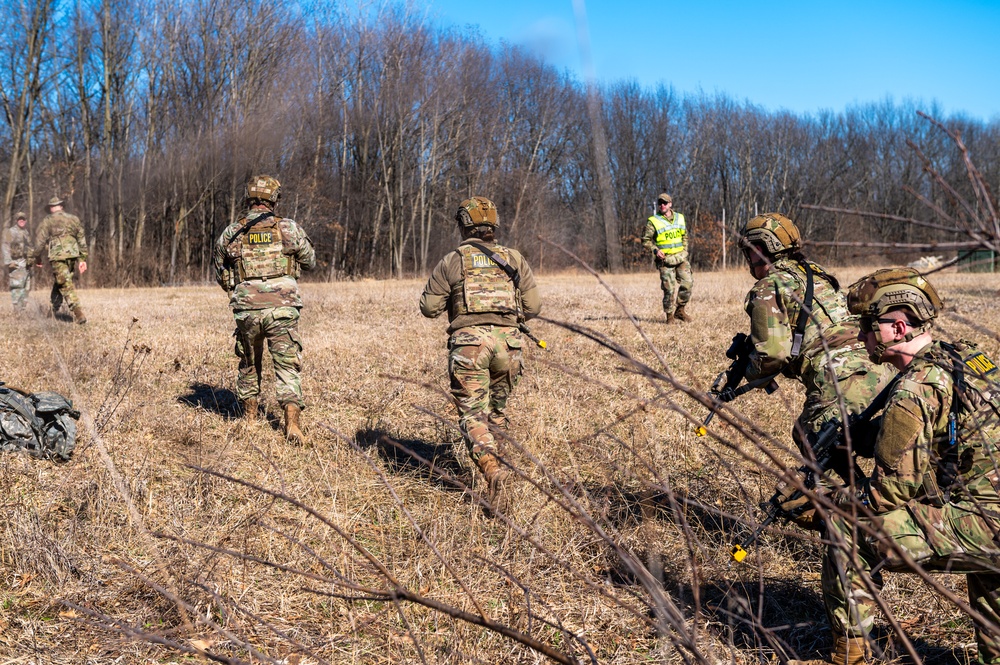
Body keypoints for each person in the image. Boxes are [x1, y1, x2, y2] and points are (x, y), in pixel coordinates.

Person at [790, 268, 1000, 665]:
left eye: (869, 326)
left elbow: (888, 493)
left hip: (986, 522)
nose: (861, 337)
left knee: (845, 527)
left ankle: (848, 654)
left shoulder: (915, 386)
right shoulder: (965, 358)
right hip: (989, 513)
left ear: (899, 327)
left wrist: (825, 501)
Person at [738, 213, 895, 454]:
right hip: (883, 372)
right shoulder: (816, 271)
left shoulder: (768, 287)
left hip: (841, 382)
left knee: (812, 443)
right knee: (871, 440)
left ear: (758, 249)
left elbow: (772, 355)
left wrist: (751, 372)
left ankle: (846, 491)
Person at [419, 196, 541, 506]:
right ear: (494, 225)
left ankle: (492, 471)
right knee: (496, 413)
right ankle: (501, 461)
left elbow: (429, 308)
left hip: (471, 345)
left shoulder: (453, 260)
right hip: (510, 346)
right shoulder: (514, 258)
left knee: (473, 415)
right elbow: (534, 307)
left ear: (463, 224)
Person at [213, 175, 316, 443]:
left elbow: (220, 272)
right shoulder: (288, 228)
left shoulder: (232, 232)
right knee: (287, 364)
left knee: (249, 362)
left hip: (247, 308)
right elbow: (310, 260)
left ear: (249, 198)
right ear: (273, 199)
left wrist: (241, 292)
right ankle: (292, 425)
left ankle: (249, 420)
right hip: (282, 307)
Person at [32, 197, 88, 323]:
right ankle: (52, 310)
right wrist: (83, 258)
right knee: (62, 281)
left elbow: (39, 241)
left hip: (57, 255)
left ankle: (78, 313)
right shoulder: (74, 219)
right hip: (73, 255)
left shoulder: (48, 220)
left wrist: (37, 257)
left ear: (51, 208)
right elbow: (81, 238)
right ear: (61, 206)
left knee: (64, 283)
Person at [641, 193, 693, 323]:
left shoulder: (680, 218)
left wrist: (685, 250)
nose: (662, 205)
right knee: (669, 289)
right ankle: (670, 317)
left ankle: (680, 310)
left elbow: (684, 236)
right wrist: (655, 250)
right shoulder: (653, 221)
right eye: (660, 203)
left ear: (670, 204)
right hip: (665, 260)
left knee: (688, 283)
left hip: (681, 257)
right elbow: (645, 240)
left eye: (665, 203)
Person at [2, 211, 31, 310]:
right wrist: (9, 261)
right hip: (16, 262)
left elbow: (30, 247)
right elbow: (5, 245)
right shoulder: (11, 231)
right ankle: (17, 311)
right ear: (16, 220)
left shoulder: (26, 232)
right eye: (19, 219)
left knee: (26, 288)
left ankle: (22, 310)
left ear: (26, 221)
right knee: (17, 287)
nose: (22, 221)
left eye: (23, 219)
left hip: (25, 263)